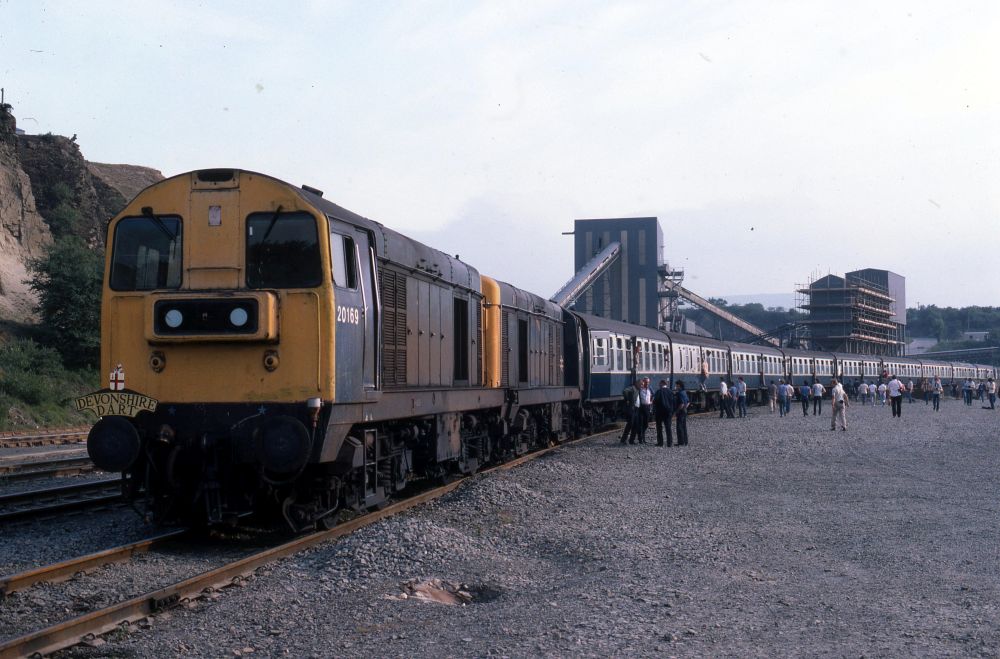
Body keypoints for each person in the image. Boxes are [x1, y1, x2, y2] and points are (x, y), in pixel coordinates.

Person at [628, 378, 652, 444]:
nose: (647, 384)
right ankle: (641, 439)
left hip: (647, 407)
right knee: (640, 424)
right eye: (645, 382)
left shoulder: (650, 389)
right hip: (641, 408)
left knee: (646, 424)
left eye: (648, 382)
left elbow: (653, 395)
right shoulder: (639, 390)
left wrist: (651, 402)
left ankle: (642, 438)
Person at [653, 379, 674, 446]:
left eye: (659, 384)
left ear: (662, 383)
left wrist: (654, 411)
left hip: (659, 412)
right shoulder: (670, 392)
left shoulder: (658, 392)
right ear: (666, 384)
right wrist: (672, 411)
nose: (659, 385)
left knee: (659, 428)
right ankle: (669, 443)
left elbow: (655, 402)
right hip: (668, 412)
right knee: (668, 428)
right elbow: (673, 402)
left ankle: (660, 442)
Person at [674, 380, 689, 446]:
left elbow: (682, 404)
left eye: (676, 385)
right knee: (684, 426)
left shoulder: (680, 393)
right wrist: (685, 408)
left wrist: (677, 411)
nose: (676, 386)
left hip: (680, 412)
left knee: (679, 427)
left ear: (679, 385)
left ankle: (681, 442)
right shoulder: (684, 392)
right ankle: (685, 441)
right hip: (684, 411)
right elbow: (688, 402)